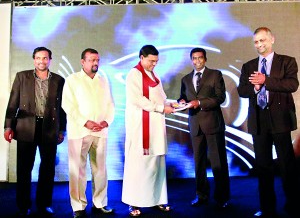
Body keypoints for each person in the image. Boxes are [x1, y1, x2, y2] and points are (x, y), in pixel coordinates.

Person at [237, 27, 300, 218]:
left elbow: (292, 84)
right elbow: (242, 91)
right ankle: (267, 208)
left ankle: (293, 205)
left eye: (262, 40)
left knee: (287, 166)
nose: (259, 45)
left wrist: (266, 80)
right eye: (256, 42)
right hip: (259, 121)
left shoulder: (287, 61)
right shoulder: (248, 66)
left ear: (272, 39)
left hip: (281, 120)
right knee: (263, 167)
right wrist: (255, 88)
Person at [3, 47, 66, 217]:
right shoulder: (22, 77)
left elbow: (62, 108)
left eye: (45, 58)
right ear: (33, 60)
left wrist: (62, 129)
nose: (41, 61)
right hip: (25, 126)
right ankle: (23, 206)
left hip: (49, 128)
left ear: (50, 60)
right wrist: (8, 126)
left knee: (47, 169)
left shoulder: (59, 80)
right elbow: (12, 103)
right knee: (24, 169)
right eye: (38, 58)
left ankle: (44, 204)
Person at [121, 45, 174, 217]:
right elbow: (138, 100)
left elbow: (161, 96)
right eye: (151, 61)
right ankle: (134, 202)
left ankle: (157, 198)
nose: (154, 64)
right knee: (139, 164)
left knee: (157, 163)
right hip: (140, 128)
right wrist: (161, 107)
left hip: (156, 125)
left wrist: (170, 104)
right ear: (141, 57)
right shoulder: (133, 75)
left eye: (156, 61)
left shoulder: (153, 74)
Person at [62, 48, 115, 218]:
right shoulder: (72, 80)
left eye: (97, 60)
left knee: (100, 170)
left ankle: (100, 203)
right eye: (91, 60)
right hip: (79, 131)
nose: (95, 63)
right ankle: (78, 206)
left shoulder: (103, 80)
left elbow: (110, 104)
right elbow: (68, 105)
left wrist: (107, 121)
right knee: (77, 170)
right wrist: (86, 122)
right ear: (82, 62)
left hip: (101, 131)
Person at [177, 47, 230, 209]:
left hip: (213, 124)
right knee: (198, 163)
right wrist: (181, 101)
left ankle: (222, 197)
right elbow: (183, 97)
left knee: (218, 162)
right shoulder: (185, 79)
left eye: (200, 58)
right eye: (194, 58)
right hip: (195, 125)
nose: (197, 61)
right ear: (191, 60)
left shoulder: (215, 75)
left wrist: (199, 103)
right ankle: (201, 195)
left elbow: (220, 97)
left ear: (205, 59)